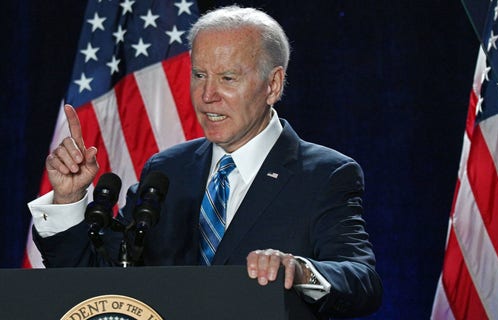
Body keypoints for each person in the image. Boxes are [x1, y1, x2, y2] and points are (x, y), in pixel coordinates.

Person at [29, 5, 382, 318]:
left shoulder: (323, 174)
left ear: (273, 85)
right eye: (199, 75)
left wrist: (299, 271)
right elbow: (94, 283)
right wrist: (68, 199)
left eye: (228, 78)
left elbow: (362, 281)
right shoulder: (167, 169)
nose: (207, 96)